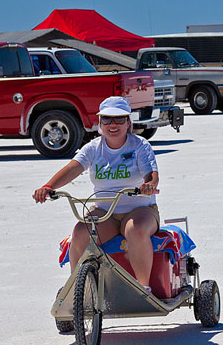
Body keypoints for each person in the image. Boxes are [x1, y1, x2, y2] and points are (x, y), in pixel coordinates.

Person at [33, 96, 161, 293]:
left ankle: (143, 289)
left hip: (139, 210)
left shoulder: (139, 145)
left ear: (128, 122)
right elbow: (73, 169)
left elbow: (151, 175)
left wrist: (149, 185)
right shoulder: (93, 148)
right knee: (80, 232)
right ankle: (77, 290)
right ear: (100, 123)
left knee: (135, 230)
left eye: (119, 119)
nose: (113, 125)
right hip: (105, 211)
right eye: (107, 119)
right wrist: (48, 186)